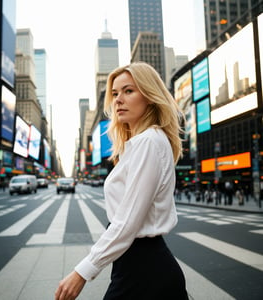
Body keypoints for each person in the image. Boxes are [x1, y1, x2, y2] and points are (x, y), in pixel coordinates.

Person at [55, 62, 189, 300]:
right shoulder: (140, 144)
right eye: (115, 93)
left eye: (128, 91)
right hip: (137, 265)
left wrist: (82, 272)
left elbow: (127, 222)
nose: (118, 99)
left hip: (145, 270)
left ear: (149, 96)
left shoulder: (148, 142)